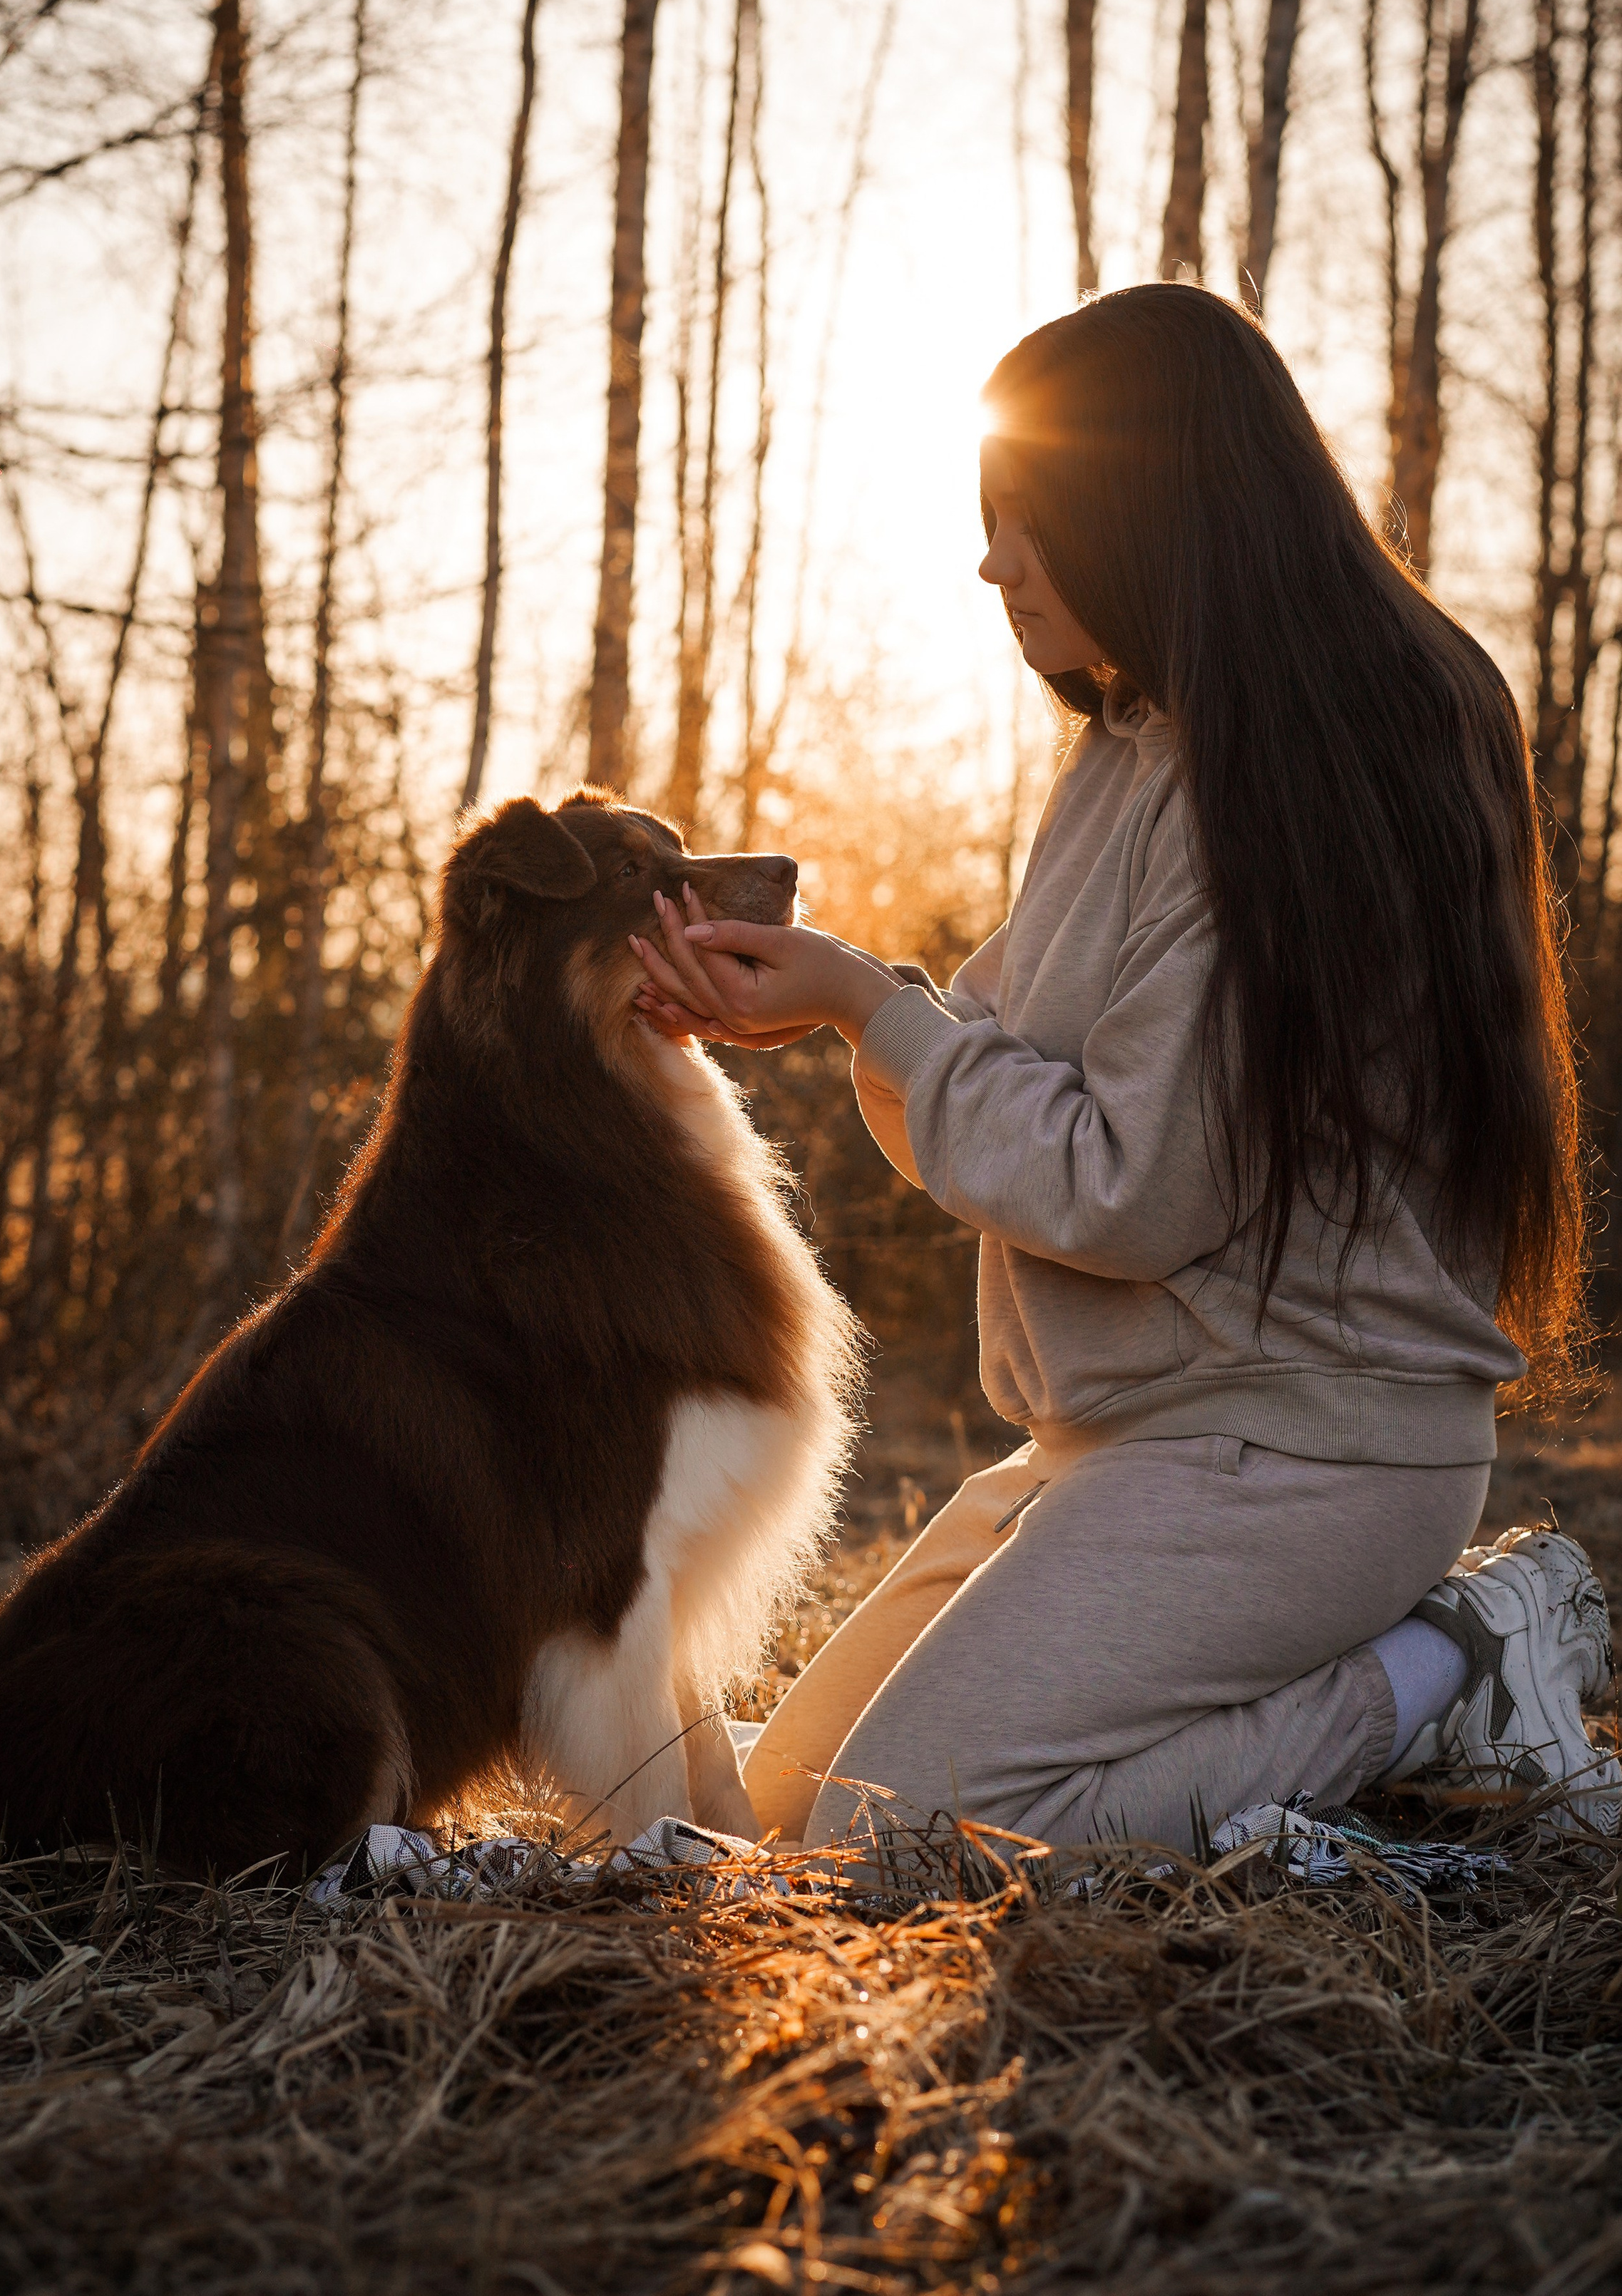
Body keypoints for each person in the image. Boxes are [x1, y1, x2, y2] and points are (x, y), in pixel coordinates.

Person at [631, 282, 1620, 1857]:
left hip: (1295, 1446)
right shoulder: (1135, 746)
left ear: (1151, 502)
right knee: (778, 1812)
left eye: (1028, 516)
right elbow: (1000, 1053)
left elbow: (1124, 1186)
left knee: (908, 1835)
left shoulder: (1312, 760)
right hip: (1139, 1438)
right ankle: (1371, 1710)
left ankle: (1448, 1669)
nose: (990, 559)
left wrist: (868, 1018)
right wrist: (842, 1003)